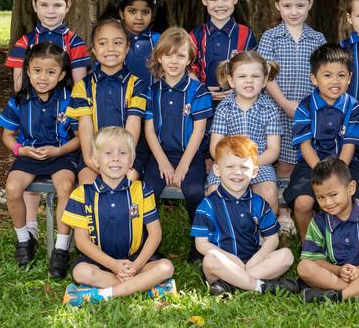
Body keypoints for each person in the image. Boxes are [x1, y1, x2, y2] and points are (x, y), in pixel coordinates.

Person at [5, 0, 90, 244]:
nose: (50, 11)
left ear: (68, 6)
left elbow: (79, 84)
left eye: (56, 5)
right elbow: (20, 84)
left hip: (62, 113)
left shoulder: (75, 42)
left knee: (62, 178)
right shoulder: (25, 41)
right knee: (27, 172)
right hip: (33, 112)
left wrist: (69, 108)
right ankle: (30, 227)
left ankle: (62, 241)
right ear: (34, 6)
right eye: (44, 5)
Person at [61, 127, 176, 306]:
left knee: (166, 267)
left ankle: (102, 294)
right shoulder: (82, 194)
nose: (115, 158)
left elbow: (155, 234)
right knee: (81, 272)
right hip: (101, 262)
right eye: (108, 152)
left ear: (132, 160)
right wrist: (114, 265)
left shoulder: (142, 190)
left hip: (136, 260)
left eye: (123, 153)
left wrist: (136, 266)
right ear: (95, 160)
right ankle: (146, 287)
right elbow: (82, 242)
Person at [0, 42, 78, 278]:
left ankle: (61, 247)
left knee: (65, 187)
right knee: (12, 188)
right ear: (28, 71)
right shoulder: (19, 100)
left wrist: (58, 151)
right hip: (28, 154)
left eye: (51, 72)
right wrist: (20, 151)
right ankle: (25, 239)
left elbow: (79, 139)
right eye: (37, 71)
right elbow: (7, 135)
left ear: (62, 74)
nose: (43, 77)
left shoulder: (70, 99)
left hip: (61, 154)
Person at [283, 43, 359, 242]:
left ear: (350, 78)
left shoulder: (353, 106)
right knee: (303, 203)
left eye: (341, 75)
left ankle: (354, 243)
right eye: (327, 75)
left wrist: (337, 172)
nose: (335, 81)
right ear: (314, 78)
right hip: (311, 164)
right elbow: (305, 145)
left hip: (345, 162)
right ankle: (309, 244)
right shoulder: (305, 107)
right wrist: (323, 173)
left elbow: (349, 144)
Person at [191, 136, 297, 296]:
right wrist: (231, 260)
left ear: (254, 172)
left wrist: (255, 260)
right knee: (210, 259)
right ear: (217, 170)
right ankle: (260, 286)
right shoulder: (208, 205)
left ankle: (231, 284)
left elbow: (272, 239)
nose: (237, 173)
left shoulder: (258, 203)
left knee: (286, 255)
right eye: (230, 166)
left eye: (244, 167)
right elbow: (201, 245)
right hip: (223, 263)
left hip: (254, 261)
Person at [143, 27, 213, 261]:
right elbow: (149, 130)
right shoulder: (151, 91)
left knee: (194, 192)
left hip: (189, 155)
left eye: (180, 55)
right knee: (147, 192)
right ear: (159, 57)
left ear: (190, 59)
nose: (174, 61)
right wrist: (162, 161)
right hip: (160, 154)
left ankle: (198, 245)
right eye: (168, 55)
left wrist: (183, 166)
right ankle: (149, 245)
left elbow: (199, 131)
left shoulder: (198, 91)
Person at [297, 158, 359, 303]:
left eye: (333, 195)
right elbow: (314, 259)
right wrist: (338, 271)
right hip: (334, 277)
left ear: (351, 188)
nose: (328, 203)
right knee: (304, 267)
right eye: (320, 197)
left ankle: (339, 296)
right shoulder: (318, 222)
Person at [257, 0, 326, 182]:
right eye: (287, 6)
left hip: (306, 111)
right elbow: (266, 75)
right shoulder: (271, 37)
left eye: (300, 5)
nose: (294, 12)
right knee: (283, 165)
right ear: (278, 5)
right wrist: (285, 103)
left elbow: (324, 75)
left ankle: (300, 200)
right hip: (276, 110)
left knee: (303, 160)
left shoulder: (318, 38)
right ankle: (283, 209)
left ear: (310, 4)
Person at [66, 18, 147, 184]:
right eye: (103, 43)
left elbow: (133, 126)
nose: (110, 48)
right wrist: (92, 160)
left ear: (127, 47)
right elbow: (84, 131)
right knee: (88, 184)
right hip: (94, 154)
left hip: (128, 155)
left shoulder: (137, 85)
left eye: (117, 42)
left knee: (126, 182)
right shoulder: (83, 86)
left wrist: (122, 162)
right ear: (94, 50)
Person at [204, 51, 282, 213]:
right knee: (215, 192)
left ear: (264, 80)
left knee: (269, 193)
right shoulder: (224, 109)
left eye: (255, 76)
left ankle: (263, 234)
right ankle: (223, 233)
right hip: (227, 163)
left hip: (259, 163)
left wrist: (250, 165)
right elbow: (215, 147)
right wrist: (232, 165)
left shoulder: (269, 109)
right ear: (231, 81)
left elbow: (273, 150)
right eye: (242, 76)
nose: (249, 81)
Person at [190, 0, 257, 104]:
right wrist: (202, 90)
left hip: (239, 106)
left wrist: (239, 88)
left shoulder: (245, 34)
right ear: (204, 0)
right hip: (202, 108)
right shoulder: (195, 35)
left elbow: (254, 69)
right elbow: (187, 69)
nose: (220, 5)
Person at [99, 0, 168, 89]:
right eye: (132, 11)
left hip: (152, 103)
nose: (139, 17)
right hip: (119, 102)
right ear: (121, 13)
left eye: (145, 12)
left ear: (152, 13)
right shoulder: (112, 40)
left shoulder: (159, 40)